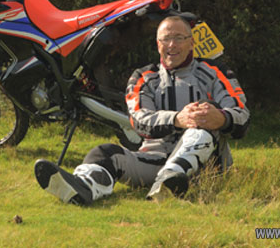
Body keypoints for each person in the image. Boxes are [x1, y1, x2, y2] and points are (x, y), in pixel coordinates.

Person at [34, 16, 250, 204]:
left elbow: (242, 114)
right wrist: (177, 119)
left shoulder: (216, 72)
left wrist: (221, 118)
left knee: (202, 120)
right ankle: (82, 187)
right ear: (158, 45)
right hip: (154, 160)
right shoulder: (143, 77)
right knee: (105, 153)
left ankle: (171, 179)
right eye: (166, 39)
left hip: (206, 165)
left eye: (179, 38)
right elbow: (139, 120)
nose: (172, 45)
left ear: (192, 43)